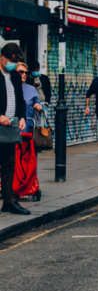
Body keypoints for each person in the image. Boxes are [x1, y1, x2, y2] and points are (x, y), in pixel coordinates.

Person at [0, 43, 28, 214]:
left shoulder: (15, 76)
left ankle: (9, 201)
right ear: (2, 57)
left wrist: (22, 117)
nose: (13, 64)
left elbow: (21, 100)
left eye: (15, 62)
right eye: (11, 61)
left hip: (10, 128)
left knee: (9, 164)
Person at [14, 62, 41, 202]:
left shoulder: (31, 90)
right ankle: (15, 186)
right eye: (21, 72)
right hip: (12, 129)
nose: (24, 75)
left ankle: (29, 185)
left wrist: (39, 107)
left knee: (29, 159)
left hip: (28, 129)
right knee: (14, 159)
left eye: (26, 72)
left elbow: (39, 105)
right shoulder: (9, 87)